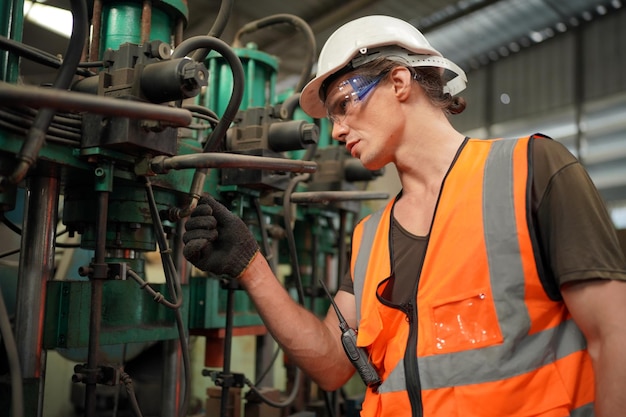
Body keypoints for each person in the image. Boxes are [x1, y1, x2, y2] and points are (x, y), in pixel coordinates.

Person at [182, 15, 626, 417]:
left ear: (398, 82)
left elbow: (614, 336)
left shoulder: (531, 168)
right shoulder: (369, 237)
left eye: (343, 104)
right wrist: (250, 266)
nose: (336, 131)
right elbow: (334, 367)